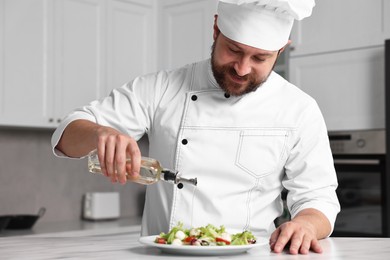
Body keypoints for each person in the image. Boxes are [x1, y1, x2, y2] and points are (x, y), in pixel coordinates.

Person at [52, 0, 340, 255]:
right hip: (165, 254)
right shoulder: (160, 88)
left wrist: (305, 225)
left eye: (259, 58)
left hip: (253, 255)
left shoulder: (299, 109)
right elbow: (66, 137)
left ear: (281, 50)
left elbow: (319, 198)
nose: (241, 68)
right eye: (233, 50)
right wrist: (100, 132)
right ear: (216, 30)